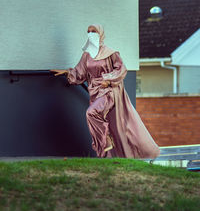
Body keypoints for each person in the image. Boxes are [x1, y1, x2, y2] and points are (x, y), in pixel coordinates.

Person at [51, 24, 160, 159]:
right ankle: (105, 155)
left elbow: (121, 70)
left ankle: (105, 142)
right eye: (88, 31)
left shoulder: (111, 53)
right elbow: (80, 72)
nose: (91, 34)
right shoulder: (87, 55)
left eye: (94, 31)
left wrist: (108, 80)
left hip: (109, 91)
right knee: (103, 119)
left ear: (101, 33)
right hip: (95, 92)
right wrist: (67, 72)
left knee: (91, 113)